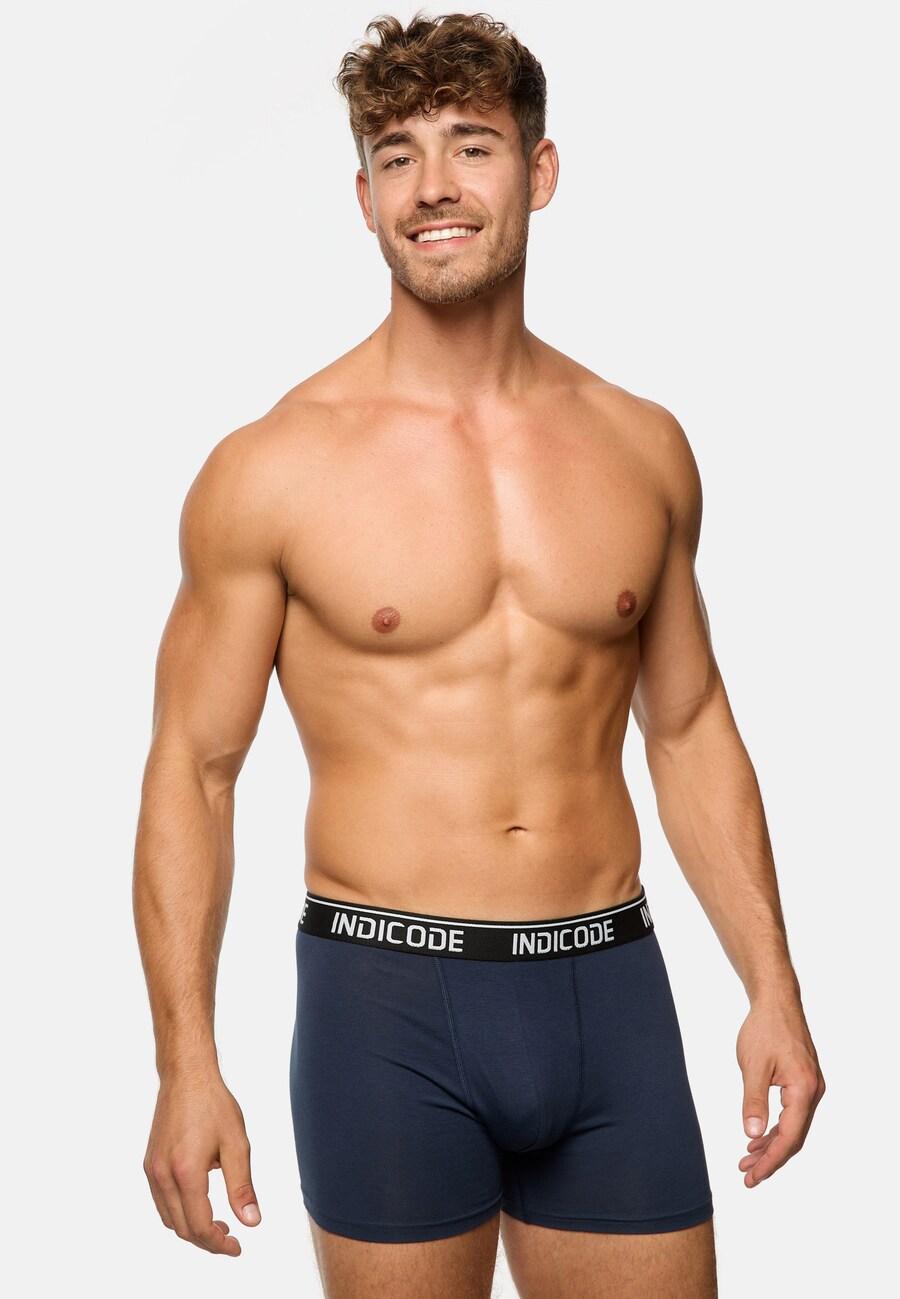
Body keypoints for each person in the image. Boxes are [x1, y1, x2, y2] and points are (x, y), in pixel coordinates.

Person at [133, 11, 825, 1298]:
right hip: (386, 1004)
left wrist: (771, 986)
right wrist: (186, 1063)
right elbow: (196, 769)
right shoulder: (274, 469)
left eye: (471, 145)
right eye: (396, 157)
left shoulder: (639, 445)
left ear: (538, 171)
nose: (434, 186)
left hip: (610, 989)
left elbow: (688, 728)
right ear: (363, 198)